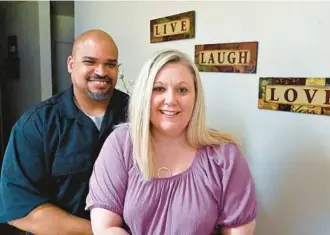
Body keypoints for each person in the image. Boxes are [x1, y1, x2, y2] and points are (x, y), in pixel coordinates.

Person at [85, 49, 258, 235]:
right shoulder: (120, 144)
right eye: (159, 89)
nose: (170, 100)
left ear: (196, 97)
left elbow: (238, 231)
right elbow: (106, 227)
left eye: (182, 90)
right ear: (145, 95)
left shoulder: (224, 155)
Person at [0, 29, 129, 235]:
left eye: (110, 64)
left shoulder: (136, 115)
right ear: (71, 64)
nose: (101, 71)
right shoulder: (37, 124)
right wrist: (101, 232)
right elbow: (20, 209)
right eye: (90, 62)